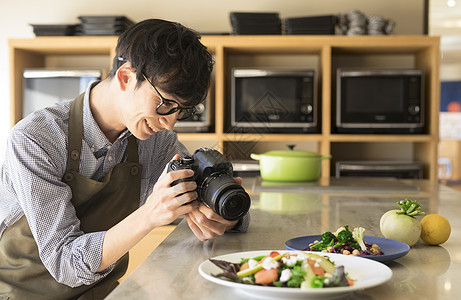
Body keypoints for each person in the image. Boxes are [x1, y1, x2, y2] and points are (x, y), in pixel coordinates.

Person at [0, 18, 250, 299]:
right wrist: (150, 215)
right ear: (126, 77)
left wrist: (221, 215)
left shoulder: (157, 141)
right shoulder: (35, 139)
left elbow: (213, 195)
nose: (170, 123)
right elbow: (64, 263)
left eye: (182, 111)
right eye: (165, 104)